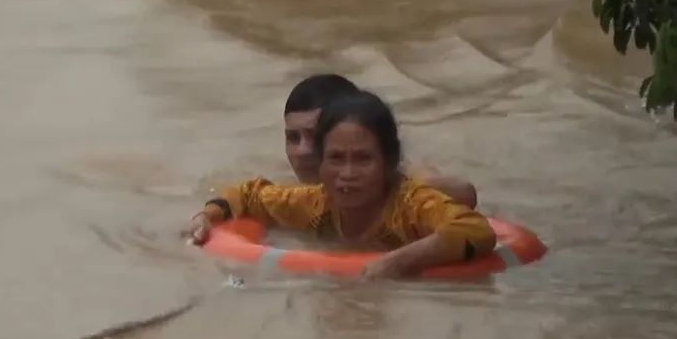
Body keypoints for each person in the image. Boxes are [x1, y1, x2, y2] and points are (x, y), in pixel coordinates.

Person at [185, 90, 497, 279]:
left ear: (389, 163)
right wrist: (206, 216)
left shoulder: (413, 204)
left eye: (363, 159)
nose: (347, 173)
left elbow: (475, 230)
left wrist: (399, 261)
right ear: (320, 164)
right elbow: (249, 194)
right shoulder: (313, 203)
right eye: (335, 158)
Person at [283, 74, 478, 209]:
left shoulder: (405, 178)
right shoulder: (294, 197)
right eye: (292, 137)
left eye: (313, 135)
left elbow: (464, 195)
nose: (302, 151)